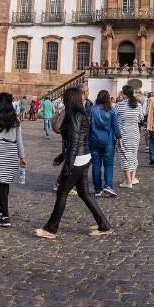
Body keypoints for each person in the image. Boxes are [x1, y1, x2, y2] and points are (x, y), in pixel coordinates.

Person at [35, 87, 111, 239]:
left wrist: (68, 166)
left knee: (62, 192)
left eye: (65, 97)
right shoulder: (77, 114)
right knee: (84, 193)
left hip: (77, 159)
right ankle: (104, 225)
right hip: (82, 157)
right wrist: (62, 156)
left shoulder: (76, 116)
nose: (63, 99)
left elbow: (75, 143)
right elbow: (73, 141)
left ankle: (51, 228)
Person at [0, 93, 25, 228]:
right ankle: (2, 207)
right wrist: (22, 156)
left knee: (1, 184)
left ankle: (5, 216)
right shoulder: (16, 119)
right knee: (5, 182)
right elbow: (19, 139)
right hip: (11, 151)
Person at [89, 90, 121, 198]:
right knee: (108, 165)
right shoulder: (112, 110)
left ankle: (98, 189)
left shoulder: (92, 109)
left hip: (94, 140)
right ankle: (108, 186)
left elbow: (88, 124)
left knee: (96, 165)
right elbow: (116, 126)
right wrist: (119, 137)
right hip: (108, 141)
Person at [116, 86, 143, 188]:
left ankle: (128, 181)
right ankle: (132, 178)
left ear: (123, 94)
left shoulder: (119, 105)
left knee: (125, 156)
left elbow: (115, 119)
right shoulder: (138, 105)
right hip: (135, 133)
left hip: (123, 134)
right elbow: (141, 118)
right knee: (133, 155)